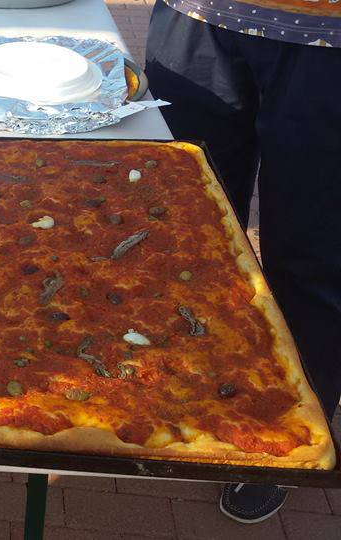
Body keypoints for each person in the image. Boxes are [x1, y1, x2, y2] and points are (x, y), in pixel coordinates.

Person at [144, 0, 340, 525]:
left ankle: (286, 428)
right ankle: (187, 391)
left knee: (313, 260)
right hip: (199, 18)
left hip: (328, 41)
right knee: (179, 231)